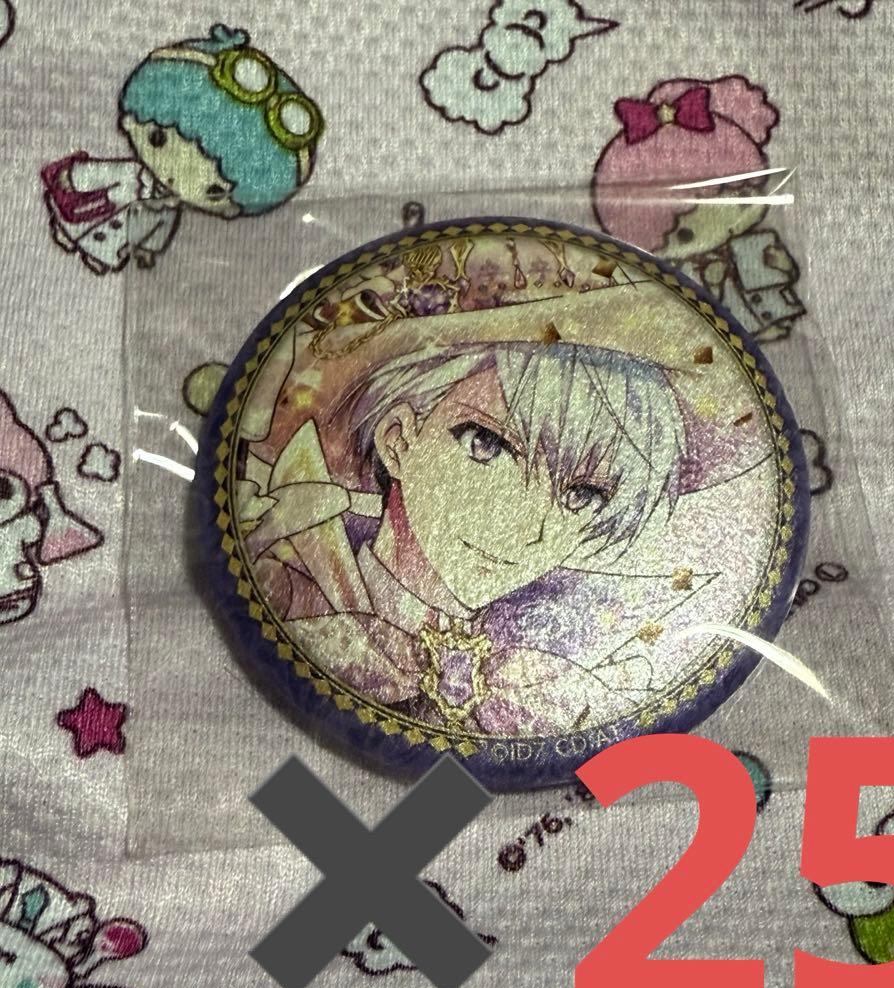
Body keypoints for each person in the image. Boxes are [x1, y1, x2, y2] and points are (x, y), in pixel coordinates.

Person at [240, 338, 689, 736]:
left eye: (581, 494)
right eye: (486, 445)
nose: (527, 530)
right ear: (398, 440)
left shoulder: (547, 690)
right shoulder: (287, 595)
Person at [42, 24, 323, 274]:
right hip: (96, 210)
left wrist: (148, 249)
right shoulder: (133, 175)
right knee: (77, 227)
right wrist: (75, 178)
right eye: (158, 139)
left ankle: (99, 256)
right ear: (131, 120)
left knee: (108, 245)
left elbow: (159, 229)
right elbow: (99, 174)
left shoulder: (166, 206)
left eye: (214, 189)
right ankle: (68, 237)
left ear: (230, 209)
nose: (175, 177)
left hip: (120, 232)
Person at [592, 76, 804, 341]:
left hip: (761, 318)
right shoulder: (675, 270)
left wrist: (780, 264)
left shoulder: (754, 245)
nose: (725, 228)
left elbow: (785, 273)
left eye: (742, 201)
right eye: (685, 234)